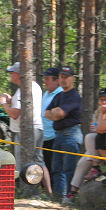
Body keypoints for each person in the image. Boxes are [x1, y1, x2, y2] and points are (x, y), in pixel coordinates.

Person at [0, 61, 51, 193]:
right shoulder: (34, 86)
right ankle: (49, 192)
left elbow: (15, 114)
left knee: (24, 163)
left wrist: (4, 104)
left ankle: (28, 191)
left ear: (17, 74)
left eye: (12, 72)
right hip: (37, 128)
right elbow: (22, 106)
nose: (11, 75)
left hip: (26, 131)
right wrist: (12, 100)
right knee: (39, 161)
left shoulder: (23, 89)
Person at [44, 66, 83, 201]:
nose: (63, 80)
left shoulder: (74, 96)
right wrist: (55, 113)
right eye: (61, 77)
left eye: (66, 77)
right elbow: (46, 113)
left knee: (69, 168)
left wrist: (55, 113)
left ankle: (70, 197)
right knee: (56, 168)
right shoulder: (59, 95)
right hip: (59, 134)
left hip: (71, 134)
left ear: (72, 79)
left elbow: (59, 114)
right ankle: (58, 197)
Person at [63, 89, 106, 204]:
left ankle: (96, 167)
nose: (104, 102)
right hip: (97, 147)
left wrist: (99, 127)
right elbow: (95, 128)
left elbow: (104, 129)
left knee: (89, 137)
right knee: (82, 163)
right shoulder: (98, 112)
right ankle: (72, 192)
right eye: (101, 100)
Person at [41, 67, 63, 175]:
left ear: (57, 80)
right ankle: (47, 190)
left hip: (55, 137)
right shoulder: (47, 93)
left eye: (47, 79)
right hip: (44, 137)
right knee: (45, 166)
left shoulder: (61, 94)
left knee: (55, 169)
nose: (45, 82)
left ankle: (57, 191)